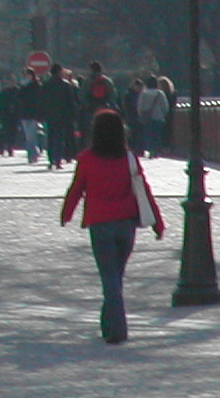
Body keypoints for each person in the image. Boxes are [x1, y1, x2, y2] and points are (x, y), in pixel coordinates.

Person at [58, 108, 166, 344]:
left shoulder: (87, 158)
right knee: (116, 276)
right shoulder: (128, 158)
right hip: (126, 223)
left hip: (100, 222)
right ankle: (108, 323)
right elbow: (143, 190)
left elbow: (76, 188)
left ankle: (116, 328)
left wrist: (66, 213)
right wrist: (157, 222)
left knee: (109, 278)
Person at [135, 76, 169, 158]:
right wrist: (164, 114)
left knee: (148, 135)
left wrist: (141, 115)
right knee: (157, 135)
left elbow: (140, 105)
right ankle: (157, 150)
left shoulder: (144, 93)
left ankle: (151, 150)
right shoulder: (160, 93)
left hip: (147, 118)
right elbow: (165, 106)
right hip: (159, 117)